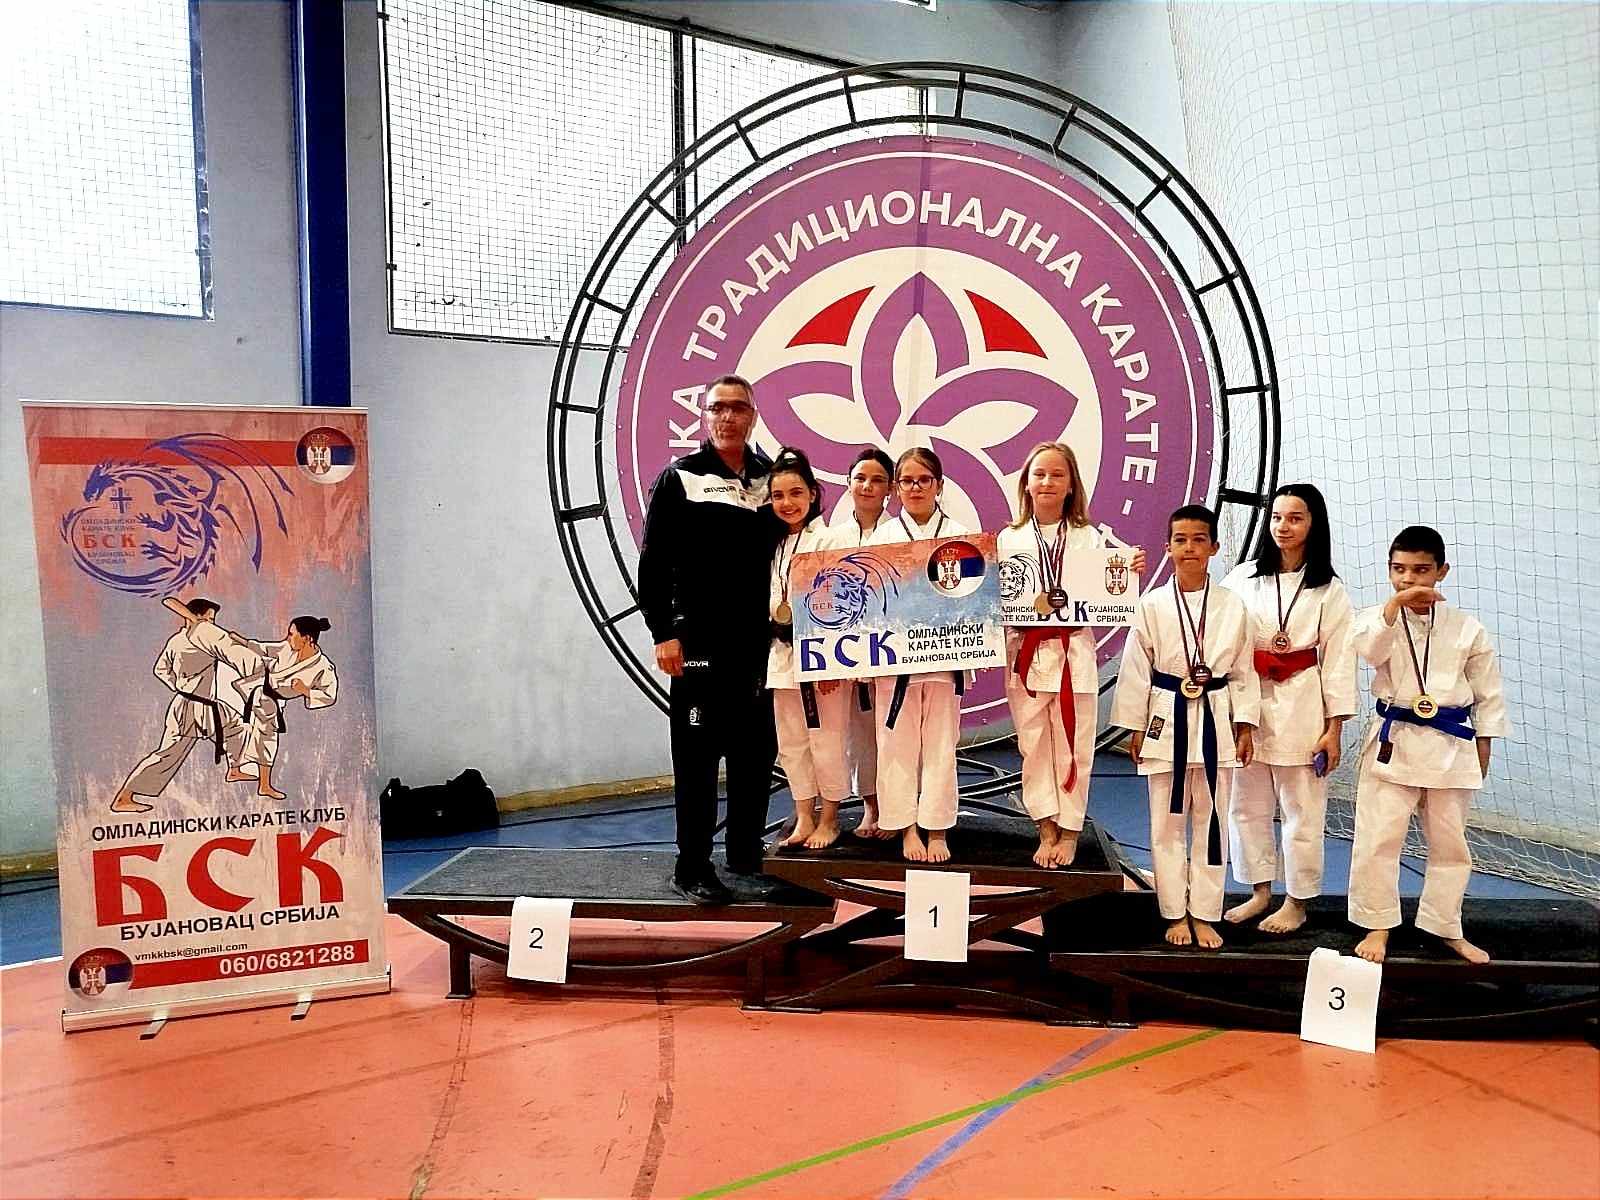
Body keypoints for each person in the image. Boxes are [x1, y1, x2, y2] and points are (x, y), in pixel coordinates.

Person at [638, 374, 779, 905]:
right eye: (717, 408)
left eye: (737, 408)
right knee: (698, 759)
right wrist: (664, 632)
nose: (727, 417)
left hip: (759, 650)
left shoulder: (771, 481)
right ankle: (691, 866)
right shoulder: (680, 478)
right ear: (705, 415)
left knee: (754, 757)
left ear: (752, 416)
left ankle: (745, 859)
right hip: (698, 647)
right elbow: (655, 563)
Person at [1347, 525, 1508, 964]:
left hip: (1451, 744)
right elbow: (1368, 651)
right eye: (1399, 569)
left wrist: (1484, 746)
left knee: (1450, 843)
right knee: (1378, 837)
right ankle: (1377, 923)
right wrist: (1393, 606)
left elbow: (1488, 693)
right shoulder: (1376, 619)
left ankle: (1445, 925)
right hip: (1394, 740)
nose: (1409, 579)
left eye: (1421, 570)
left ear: (1442, 571)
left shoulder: (1467, 628)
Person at [1112, 505, 1260, 949]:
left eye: (1199, 540)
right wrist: (1135, 726)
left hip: (1216, 717)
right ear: (1167, 546)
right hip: (1166, 717)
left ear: (1214, 547)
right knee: (1166, 824)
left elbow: (1244, 671)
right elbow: (1136, 669)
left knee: (1212, 823)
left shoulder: (1233, 606)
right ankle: (1174, 912)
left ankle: (1205, 912)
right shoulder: (1152, 604)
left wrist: (1245, 725)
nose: (1189, 548)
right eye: (1180, 540)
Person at [997, 442, 1145, 868]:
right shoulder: (1008, 539)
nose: (1047, 482)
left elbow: (1111, 588)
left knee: (1074, 747)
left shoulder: (1090, 538)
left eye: (1057, 475)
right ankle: (1045, 824)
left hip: (1072, 653)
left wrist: (1129, 568)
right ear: (1026, 483)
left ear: (1071, 485)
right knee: (1033, 746)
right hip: (1025, 653)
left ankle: (1071, 829)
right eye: (1039, 474)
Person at [1221, 484, 1357, 933]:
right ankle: (1259, 891)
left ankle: (1297, 900)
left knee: (1302, 809)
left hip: (1303, 706)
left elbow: (1339, 663)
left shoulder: (1330, 591)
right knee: (1246, 805)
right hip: (1249, 703)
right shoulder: (1243, 578)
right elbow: (1212, 622)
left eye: (1295, 518)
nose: (1283, 526)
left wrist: (1334, 729)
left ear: (1314, 524)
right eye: (1277, 517)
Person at [866, 447, 969, 864]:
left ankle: (937, 827)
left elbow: (974, 600)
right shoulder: (882, 538)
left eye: (924, 480)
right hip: (894, 661)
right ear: (895, 488)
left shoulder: (961, 534)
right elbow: (867, 603)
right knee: (895, 744)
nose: (915, 488)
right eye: (907, 481)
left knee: (942, 744)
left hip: (944, 659)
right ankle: (906, 826)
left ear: (938, 485)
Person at [765, 448, 851, 850]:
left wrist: (832, 661)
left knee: (827, 740)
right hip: (781, 655)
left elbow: (845, 603)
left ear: (813, 494)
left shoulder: (830, 540)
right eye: (778, 495)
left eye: (796, 493)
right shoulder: (771, 543)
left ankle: (829, 818)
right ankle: (803, 814)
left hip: (822, 656)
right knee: (792, 743)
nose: (787, 503)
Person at [110, 597, 256, 813]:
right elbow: (226, 649)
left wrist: (178, 684)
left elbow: (161, 669)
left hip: (204, 705)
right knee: (167, 754)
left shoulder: (177, 640)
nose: (212, 623)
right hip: (189, 708)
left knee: (237, 727)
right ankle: (124, 798)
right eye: (209, 619)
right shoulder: (200, 638)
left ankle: (235, 768)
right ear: (197, 616)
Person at [831, 446, 896, 841]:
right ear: (848, 483)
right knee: (858, 735)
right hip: (846, 651)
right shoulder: (831, 537)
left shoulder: (901, 535)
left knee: (894, 733)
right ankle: (871, 805)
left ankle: (898, 806)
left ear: (890, 488)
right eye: (861, 478)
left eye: (877, 480)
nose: (868, 486)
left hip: (893, 650)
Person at [227, 616, 339, 801]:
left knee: (263, 735)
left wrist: (306, 691)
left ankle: (257, 781)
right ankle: (244, 775)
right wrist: (243, 641)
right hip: (257, 684)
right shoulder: (287, 648)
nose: (287, 638)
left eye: (291, 634)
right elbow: (266, 649)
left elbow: (330, 695)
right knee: (244, 728)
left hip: (272, 700)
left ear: (307, 638)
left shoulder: (323, 667)